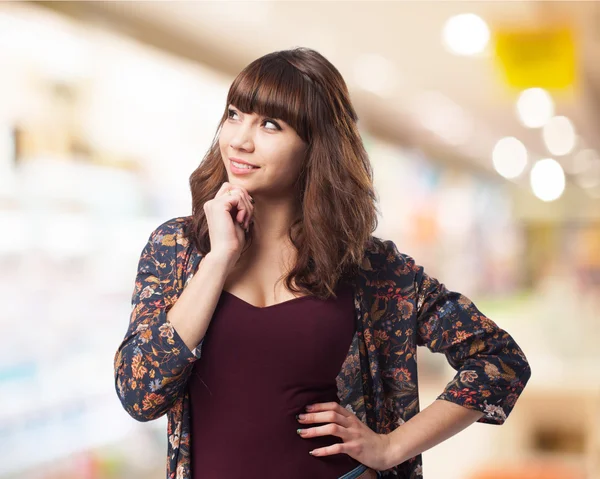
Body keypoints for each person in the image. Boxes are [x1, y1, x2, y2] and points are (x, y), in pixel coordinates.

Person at [113, 47, 531, 479]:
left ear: (316, 145)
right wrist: (218, 260)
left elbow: (499, 361)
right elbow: (139, 393)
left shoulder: (368, 266)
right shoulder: (179, 247)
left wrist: (390, 448)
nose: (240, 139)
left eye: (270, 124)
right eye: (235, 114)